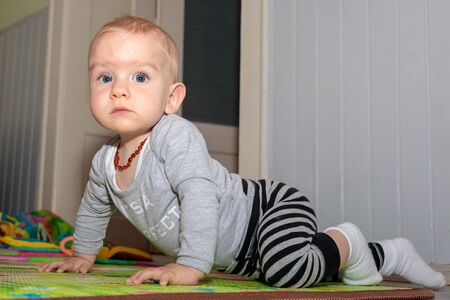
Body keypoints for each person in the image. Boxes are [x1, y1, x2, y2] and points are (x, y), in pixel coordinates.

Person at [39, 15, 446, 290]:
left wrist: (192, 264)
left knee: (285, 270)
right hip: (239, 256)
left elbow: (198, 196)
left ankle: (359, 244)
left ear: (172, 97)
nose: (120, 88)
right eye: (105, 76)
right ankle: (377, 256)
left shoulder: (173, 137)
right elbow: (94, 210)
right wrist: (83, 256)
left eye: (141, 76)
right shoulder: (103, 163)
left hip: (267, 210)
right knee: (272, 271)